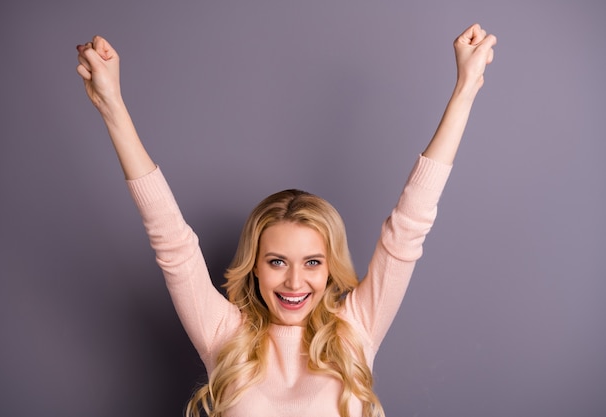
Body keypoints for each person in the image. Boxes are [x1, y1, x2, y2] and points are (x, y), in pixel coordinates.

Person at [76, 23, 496, 417]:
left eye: (312, 262)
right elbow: (170, 237)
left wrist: (465, 91)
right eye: (277, 261)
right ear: (254, 267)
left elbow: (408, 227)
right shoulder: (225, 337)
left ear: (329, 266)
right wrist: (111, 104)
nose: (295, 283)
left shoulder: (355, 331)